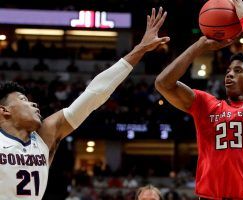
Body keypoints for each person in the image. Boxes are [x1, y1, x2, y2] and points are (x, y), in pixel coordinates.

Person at [0, 7, 170, 199]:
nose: (34, 105)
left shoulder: (44, 137)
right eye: (23, 100)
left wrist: (140, 49)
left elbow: (94, 94)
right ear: (4, 110)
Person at [155, 0, 243, 199]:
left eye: (238, 70)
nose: (229, 74)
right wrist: (199, 47)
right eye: (228, 71)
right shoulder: (207, 105)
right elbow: (163, 83)